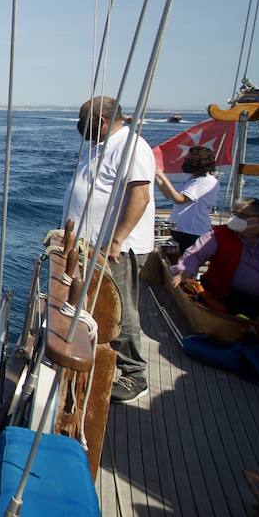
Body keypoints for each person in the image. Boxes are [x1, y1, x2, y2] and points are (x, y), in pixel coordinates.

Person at [62, 96, 155, 404]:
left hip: (114, 250)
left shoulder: (131, 146)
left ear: (101, 120)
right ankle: (102, 362)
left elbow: (140, 196)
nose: (80, 127)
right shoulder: (102, 146)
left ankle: (134, 374)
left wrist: (116, 242)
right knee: (102, 306)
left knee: (120, 309)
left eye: (83, 121)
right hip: (91, 247)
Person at [170, 197, 259, 327]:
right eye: (234, 214)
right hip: (226, 296)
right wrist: (184, 271)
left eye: (241, 216)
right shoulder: (219, 234)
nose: (234, 219)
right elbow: (195, 254)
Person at [154, 145, 220, 253]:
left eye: (187, 160)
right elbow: (168, 194)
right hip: (179, 229)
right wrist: (156, 177)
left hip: (193, 232)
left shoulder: (207, 181)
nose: (184, 162)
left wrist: (163, 177)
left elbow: (180, 199)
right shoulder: (192, 180)